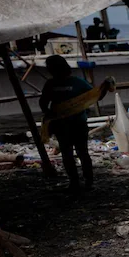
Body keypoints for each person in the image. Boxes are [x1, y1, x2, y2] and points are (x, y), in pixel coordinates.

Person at [38, 56, 94, 192]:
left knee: (76, 153)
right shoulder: (60, 83)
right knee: (75, 153)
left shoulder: (62, 83)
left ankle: (82, 181)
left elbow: (92, 95)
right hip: (67, 124)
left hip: (72, 124)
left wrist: (51, 113)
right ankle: (81, 181)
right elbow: (43, 102)